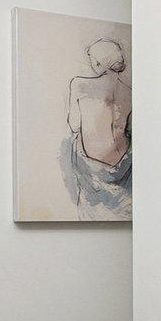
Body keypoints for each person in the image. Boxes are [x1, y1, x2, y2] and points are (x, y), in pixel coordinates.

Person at [59, 37, 131, 219]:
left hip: (92, 164)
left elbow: (74, 126)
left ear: (99, 62)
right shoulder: (131, 93)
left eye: (92, 60)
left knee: (70, 144)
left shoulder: (79, 84)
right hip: (124, 163)